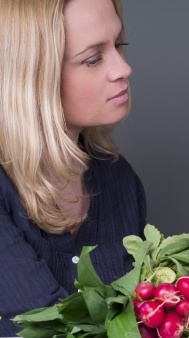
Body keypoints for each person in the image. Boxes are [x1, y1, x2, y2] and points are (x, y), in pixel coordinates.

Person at [0, 0, 147, 335]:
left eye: (119, 45)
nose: (123, 68)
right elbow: (51, 328)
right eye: (93, 58)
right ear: (34, 76)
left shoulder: (119, 177)